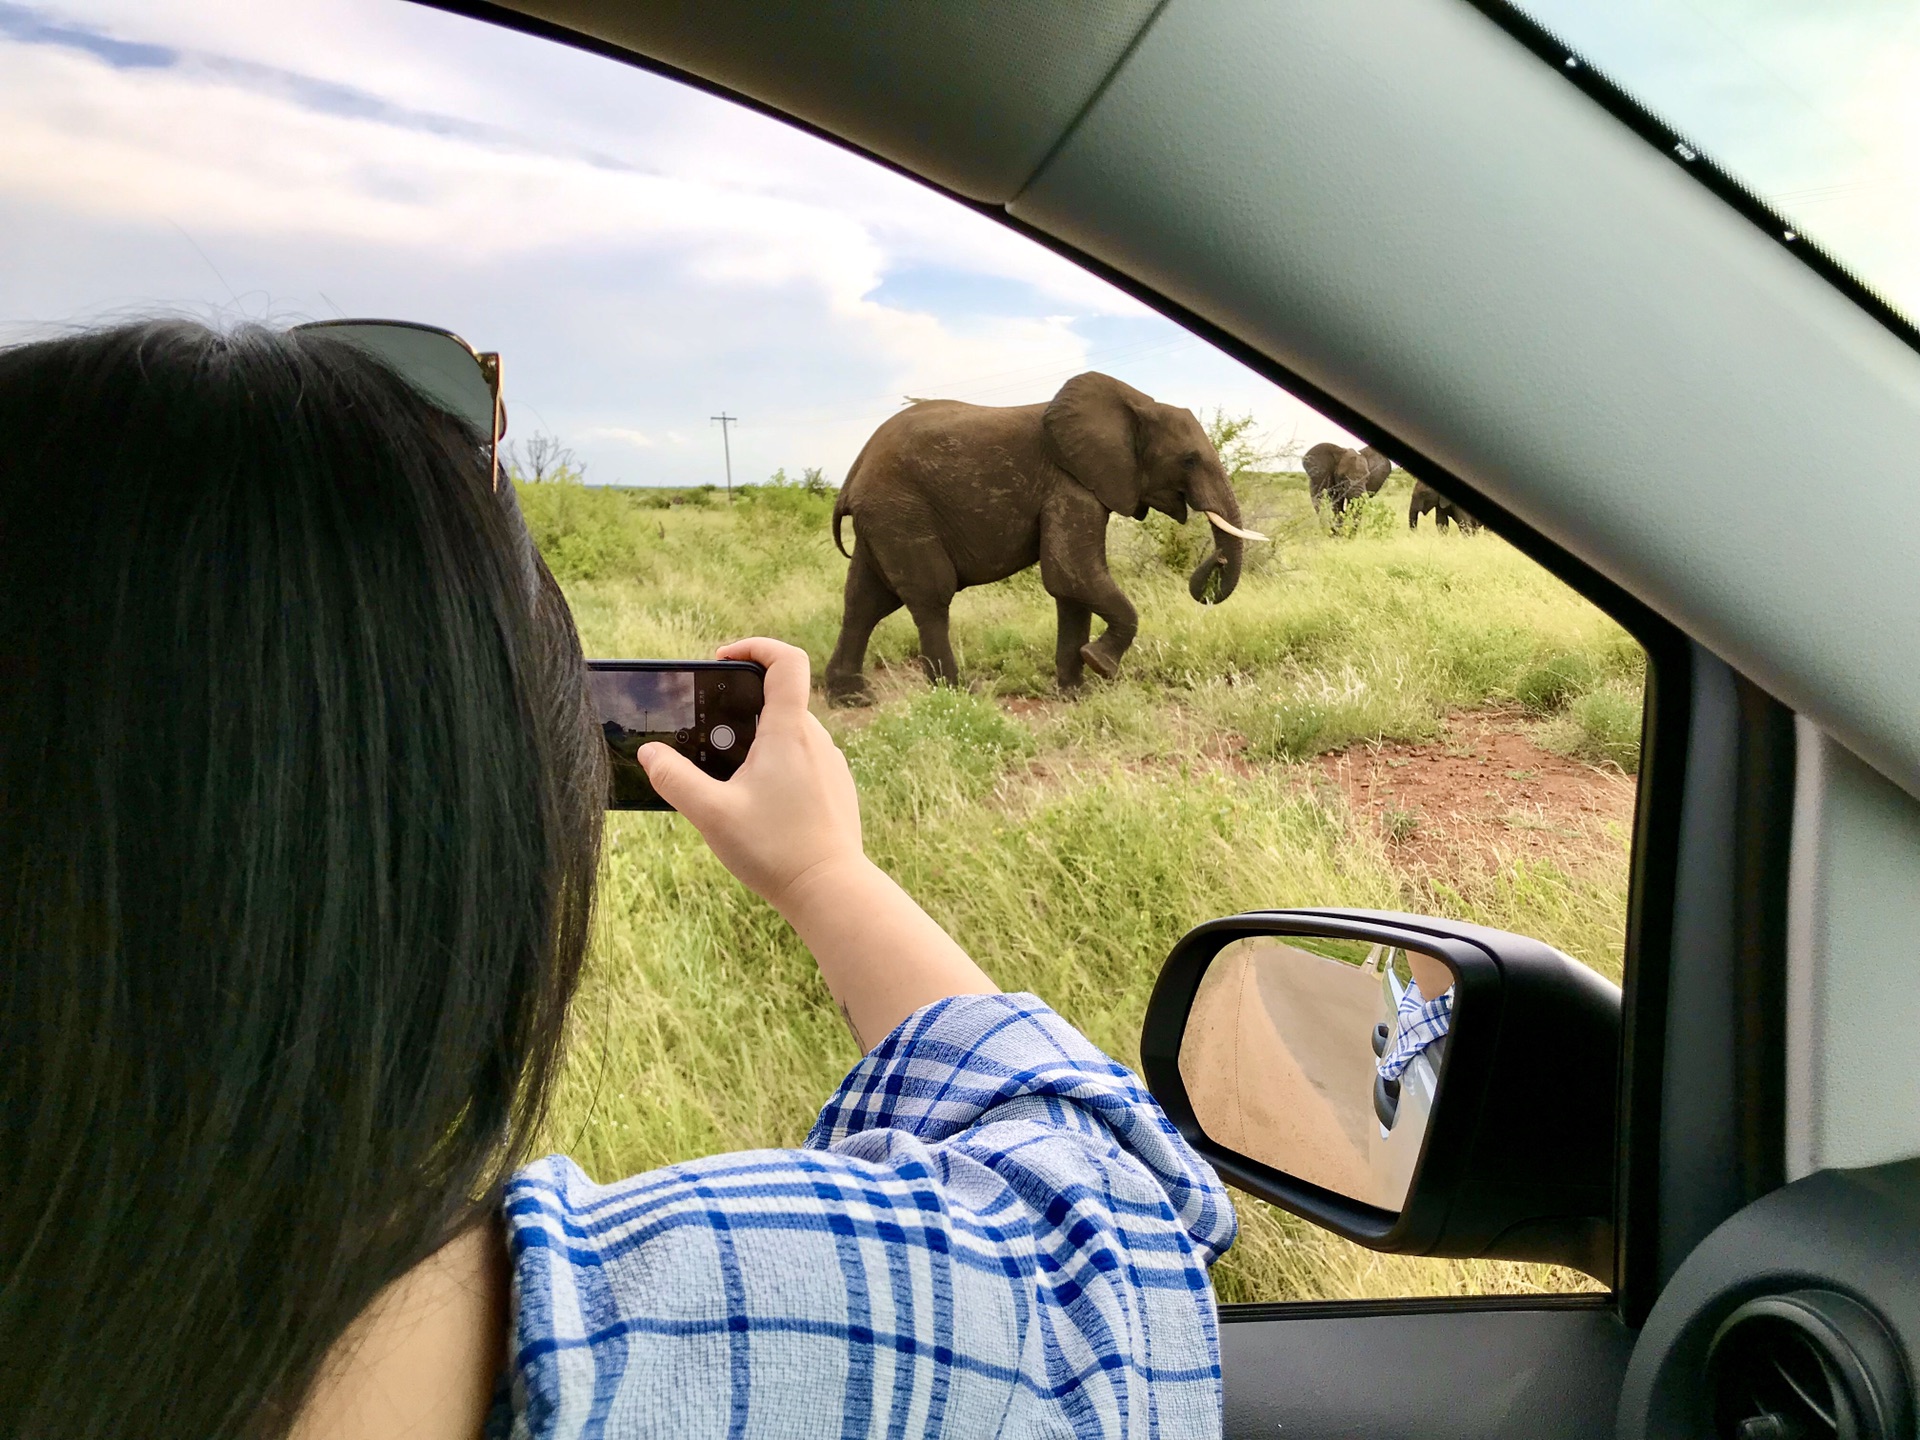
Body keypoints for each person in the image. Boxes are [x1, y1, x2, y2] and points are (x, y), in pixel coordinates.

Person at [0, 320, 1235, 1440]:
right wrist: (823, 873)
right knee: (892, 616)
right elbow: (1116, 1249)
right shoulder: (699, 1320)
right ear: (490, 848)